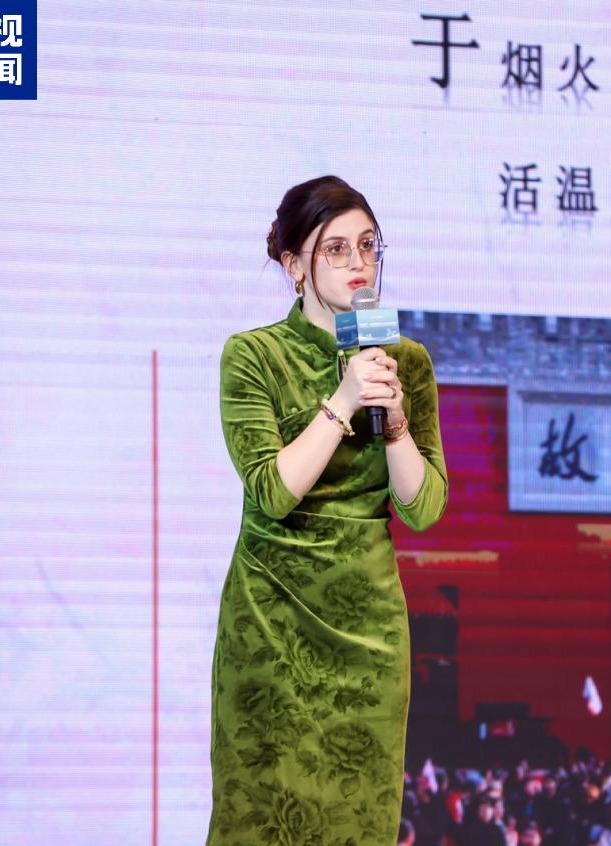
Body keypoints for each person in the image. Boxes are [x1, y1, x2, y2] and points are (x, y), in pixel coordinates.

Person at [205, 175, 448, 845]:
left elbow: (424, 508)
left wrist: (395, 425)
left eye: (368, 246)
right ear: (294, 266)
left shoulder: (406, 361)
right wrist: (342, 401)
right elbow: (273, 491)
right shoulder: (252, 356)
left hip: (367, 634)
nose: (357, 263)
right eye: (335, 249)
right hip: (272, 626)